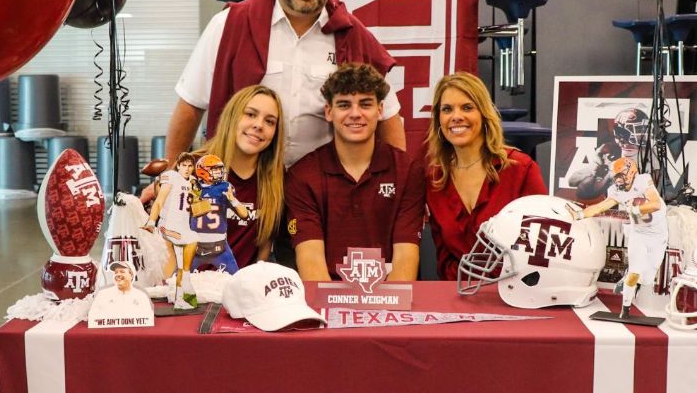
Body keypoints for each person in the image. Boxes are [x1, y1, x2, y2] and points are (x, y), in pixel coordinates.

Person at [164, 0, 405, 173]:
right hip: (242, 181)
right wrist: (171, 177)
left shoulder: (353, 35)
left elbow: (388, 116)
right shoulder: (228, 25)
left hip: (321, 188)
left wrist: (397, 182)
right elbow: (191, 104)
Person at [286, 64, 425, 281]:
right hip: (327, 302)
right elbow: (310, 260)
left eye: (365, 104)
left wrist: (386, 311)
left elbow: (406, 258)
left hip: (390, 300)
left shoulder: (408, 171)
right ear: (329, 112)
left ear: (380, 111)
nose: (355, 114)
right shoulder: (302, 176)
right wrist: (332, 312)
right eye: (344, 105)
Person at [425, 72, 547, 281]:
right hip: (460, 293)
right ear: (439, 120)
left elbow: (543, 245)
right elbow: (444, 256)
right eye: (447, 109)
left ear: (483, 114)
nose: (456, 116)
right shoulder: (435, 179)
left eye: (467, 107)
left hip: (516, 293)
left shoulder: (521, 169)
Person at [192, 85, 285, 271]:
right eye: (250, 114)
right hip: (193, 291)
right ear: (232, 117)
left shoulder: (275, 179)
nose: (259, 125)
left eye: (269, 121)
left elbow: (263, 251)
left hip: (241, 292)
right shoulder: (195, 168)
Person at [567, 157, 668, 319]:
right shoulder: (616, 191)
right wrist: (579, 215)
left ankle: (634, 275)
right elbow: (600, 206)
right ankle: (625, 309)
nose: (617, 179)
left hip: (658, 234)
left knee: (648, 278)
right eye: (616, 176)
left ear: (631, 171)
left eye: (620, 175)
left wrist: (636, 210)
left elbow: (655, 204)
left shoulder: (643, 180)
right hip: (639, 233)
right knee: (634, 273)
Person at [142, 152, 198, 310]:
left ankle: (181, 297)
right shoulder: (171, 176)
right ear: (179, 166)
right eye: (184, 165)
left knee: (182, 265)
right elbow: (159, 201)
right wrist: (151, 221)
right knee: (192, 240)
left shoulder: (193, 181)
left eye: (190, 166)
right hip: (168, 225)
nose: (187, 169)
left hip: (182, 226)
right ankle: (181, 287)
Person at [190, 154, 249, 274]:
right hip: (195, 244)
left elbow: (244, 214)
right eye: (214, 169)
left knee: (236, 279)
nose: (218, 172)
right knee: (176, 280)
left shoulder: (225, 188)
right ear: (202, 170)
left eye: (219, 169)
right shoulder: (192, 187)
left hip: (220, 245)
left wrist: (232, 199)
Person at [89, 261, 154, 320]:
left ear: (131, 275)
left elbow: (148, 318)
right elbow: (93, 317)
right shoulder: (102, 294)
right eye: (116, 272)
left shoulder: (141, 295)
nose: (118, 274)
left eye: (122, 272)